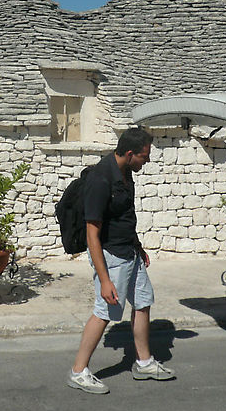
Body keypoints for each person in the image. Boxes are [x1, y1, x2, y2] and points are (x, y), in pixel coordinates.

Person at [67, 127, 176, 394]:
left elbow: (124, 215)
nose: (147, 161)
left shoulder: (126, 173)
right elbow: (93, 234)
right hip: (111, 257)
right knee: (105, 312)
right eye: (144, 156)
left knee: (143, 302)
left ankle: (144, 362)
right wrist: (105, 280)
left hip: (130, 252)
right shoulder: (100, 180)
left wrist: (138, 246)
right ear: (129, 154)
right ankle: (78, 371)